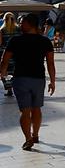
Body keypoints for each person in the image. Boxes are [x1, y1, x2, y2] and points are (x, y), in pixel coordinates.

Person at [0, 13, 55, 150]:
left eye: (22, 22)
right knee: (36, 108)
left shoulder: (15, 40)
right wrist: (52, 81)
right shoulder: (45, 41)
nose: (20, 24)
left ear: (30, 24)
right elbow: (50, 63)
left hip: (21, 78)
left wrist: (3, 72)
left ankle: (28, 138)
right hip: (39, 79)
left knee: (25, 111)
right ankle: (35, 135)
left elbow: (4, 59)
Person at [2, 12, 18, 97]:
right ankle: (16, 87)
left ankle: (9, 90)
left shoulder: (2, 30)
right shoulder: (18, 29)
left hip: (5, 53)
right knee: (16, 72)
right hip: (17, 54)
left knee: (4, 72)